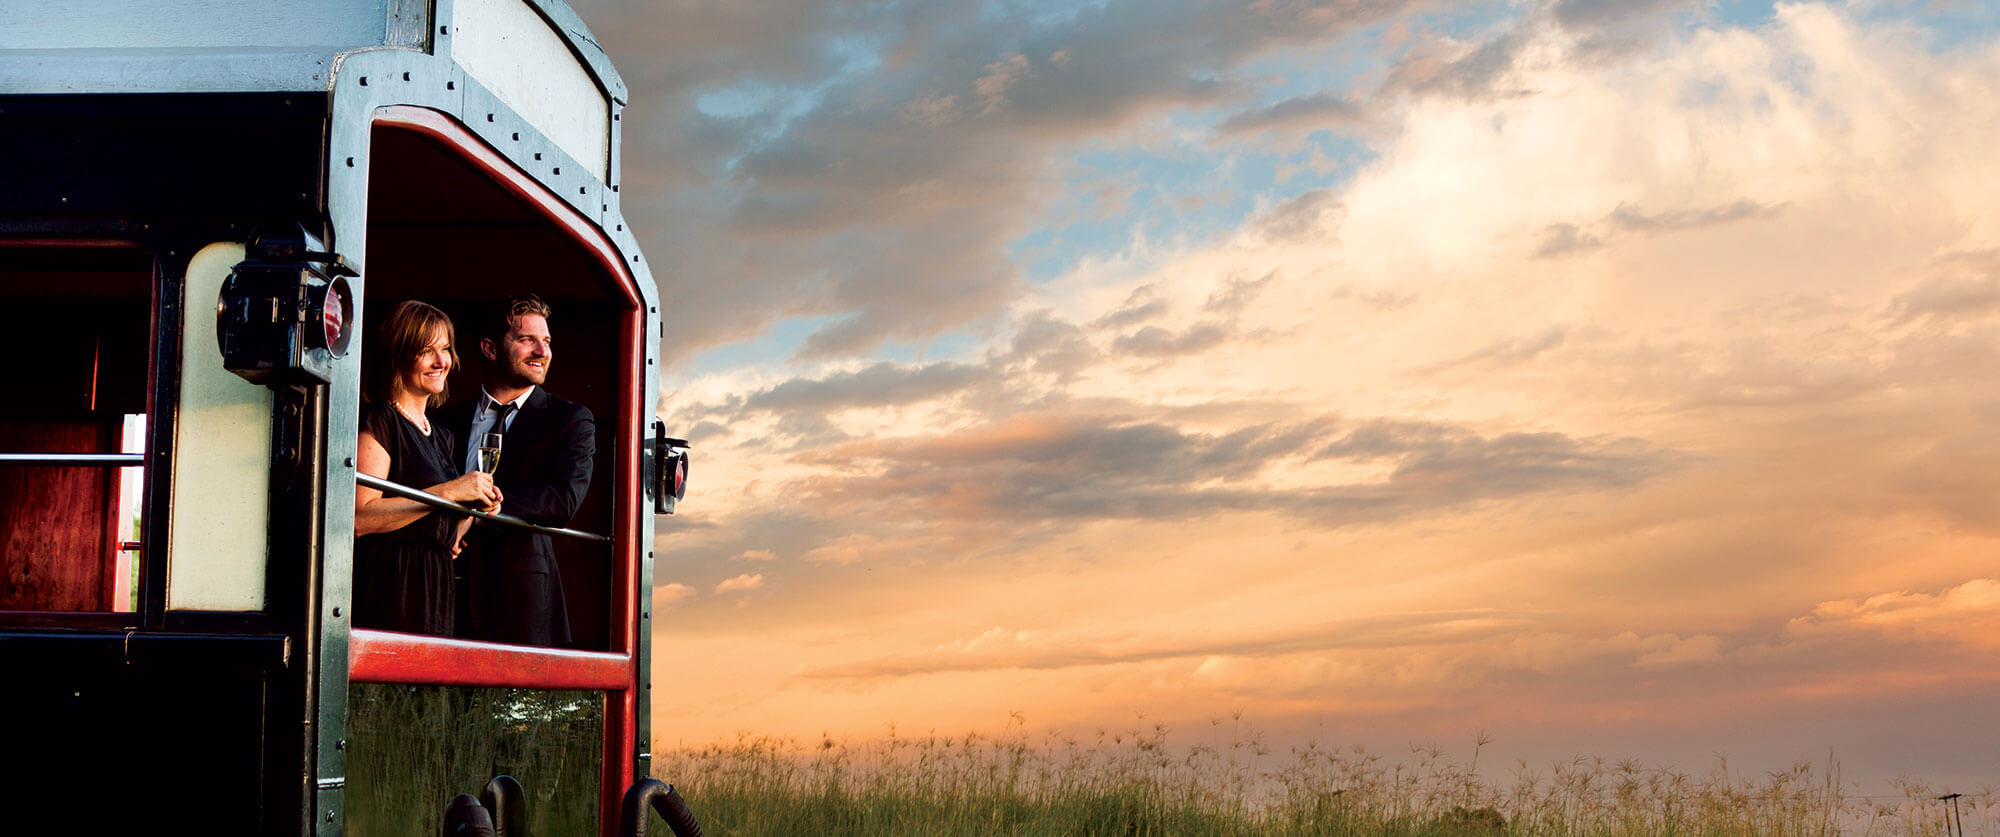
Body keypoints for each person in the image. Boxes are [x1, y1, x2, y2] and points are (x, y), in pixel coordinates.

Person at [443, 294, 593, 647]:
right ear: (490, 349)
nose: (542, 351)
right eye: (527, 340)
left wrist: (482, 513)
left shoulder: (570, 419)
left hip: (520, 596)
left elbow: (563, 500)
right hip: (443, 585)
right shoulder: (445, 421)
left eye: (547, 341)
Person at [353, 300, 502, 636]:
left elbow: (443, 535)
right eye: (427, 350)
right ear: (399, 354)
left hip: (435, 586)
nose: (441, 361)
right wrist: (449, 492)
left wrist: (472, 509)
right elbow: (360, 518)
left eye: (446, 349)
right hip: (392, 587)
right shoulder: (380, 420)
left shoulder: (441, 435)